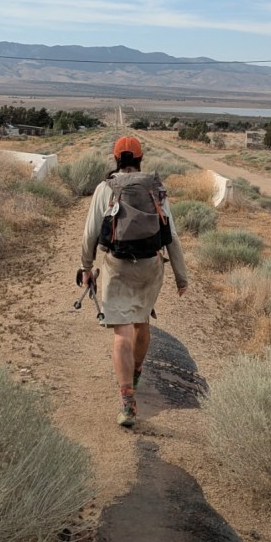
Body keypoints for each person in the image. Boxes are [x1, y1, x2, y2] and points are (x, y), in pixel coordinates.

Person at [80, 135, 188, 428]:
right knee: (142, 323)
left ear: (116, 159)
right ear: (141, 159)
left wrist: (86, 267)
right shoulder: (156, 189)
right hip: (151, 266)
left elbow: (91, 233)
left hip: (117, 266)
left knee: (121, 333)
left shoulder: (105, 188)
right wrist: (181, 276)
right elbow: (171, 236)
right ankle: (136, 372)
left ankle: (128, 404)